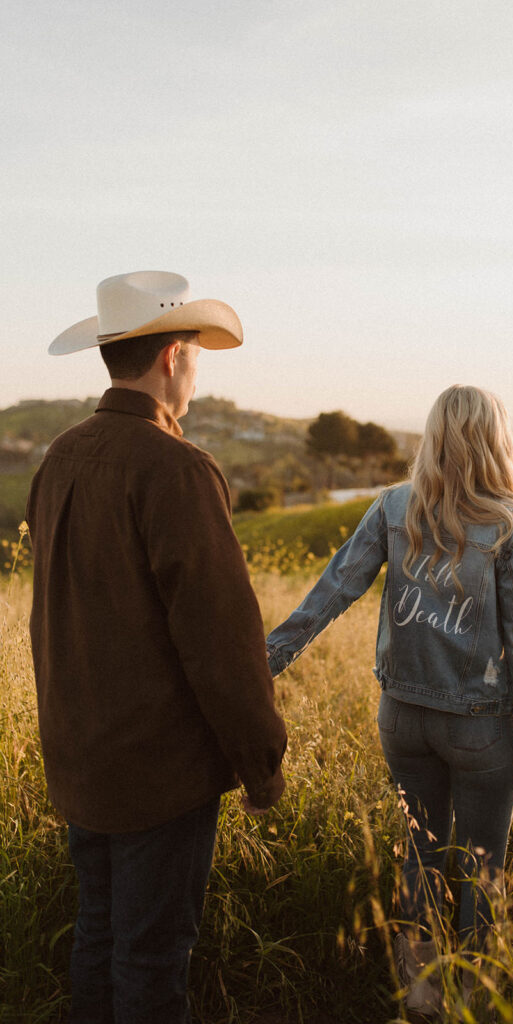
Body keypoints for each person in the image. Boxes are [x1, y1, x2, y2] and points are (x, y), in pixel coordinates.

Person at [26, 271, 287, 1024]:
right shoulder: (176, 470)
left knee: (100, 936)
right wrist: (261, 766)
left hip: (79, 754)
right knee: (150, 957)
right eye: (197, 353)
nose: (198, 370)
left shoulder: (58, 459)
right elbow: (223, 647)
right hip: (156, 769)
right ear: (172, 356)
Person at [266, 384, 513, 1017]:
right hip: (480, 726)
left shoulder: (394, 507)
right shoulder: (510, 523)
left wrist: (269, 660)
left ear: (432, 438)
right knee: (483, 868)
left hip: (400, 717)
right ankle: (476, 1004)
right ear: (496, 441)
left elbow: (332, 591)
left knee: (419, 853)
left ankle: (419, 1000)